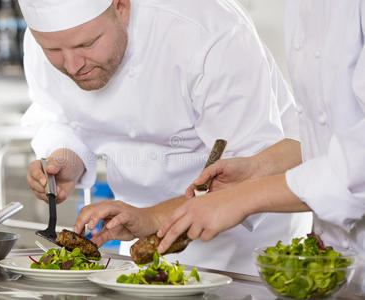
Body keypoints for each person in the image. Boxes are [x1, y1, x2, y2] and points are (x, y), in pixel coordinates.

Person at [19, 0, 311, 275]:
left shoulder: (207, 31)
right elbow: (57, 115)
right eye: (52, 50)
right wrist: (65, 159)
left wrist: (154, 217)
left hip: (243, 250)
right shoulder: (48, 37)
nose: (72, 66)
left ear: (121, 6)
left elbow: (244, 172)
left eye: (87, 43)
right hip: (137, 238)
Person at [157, 0, 365, 293]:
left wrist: (243, 198)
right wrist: (258, 168)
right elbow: (327, 134)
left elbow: (357, 167)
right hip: (336, 267)